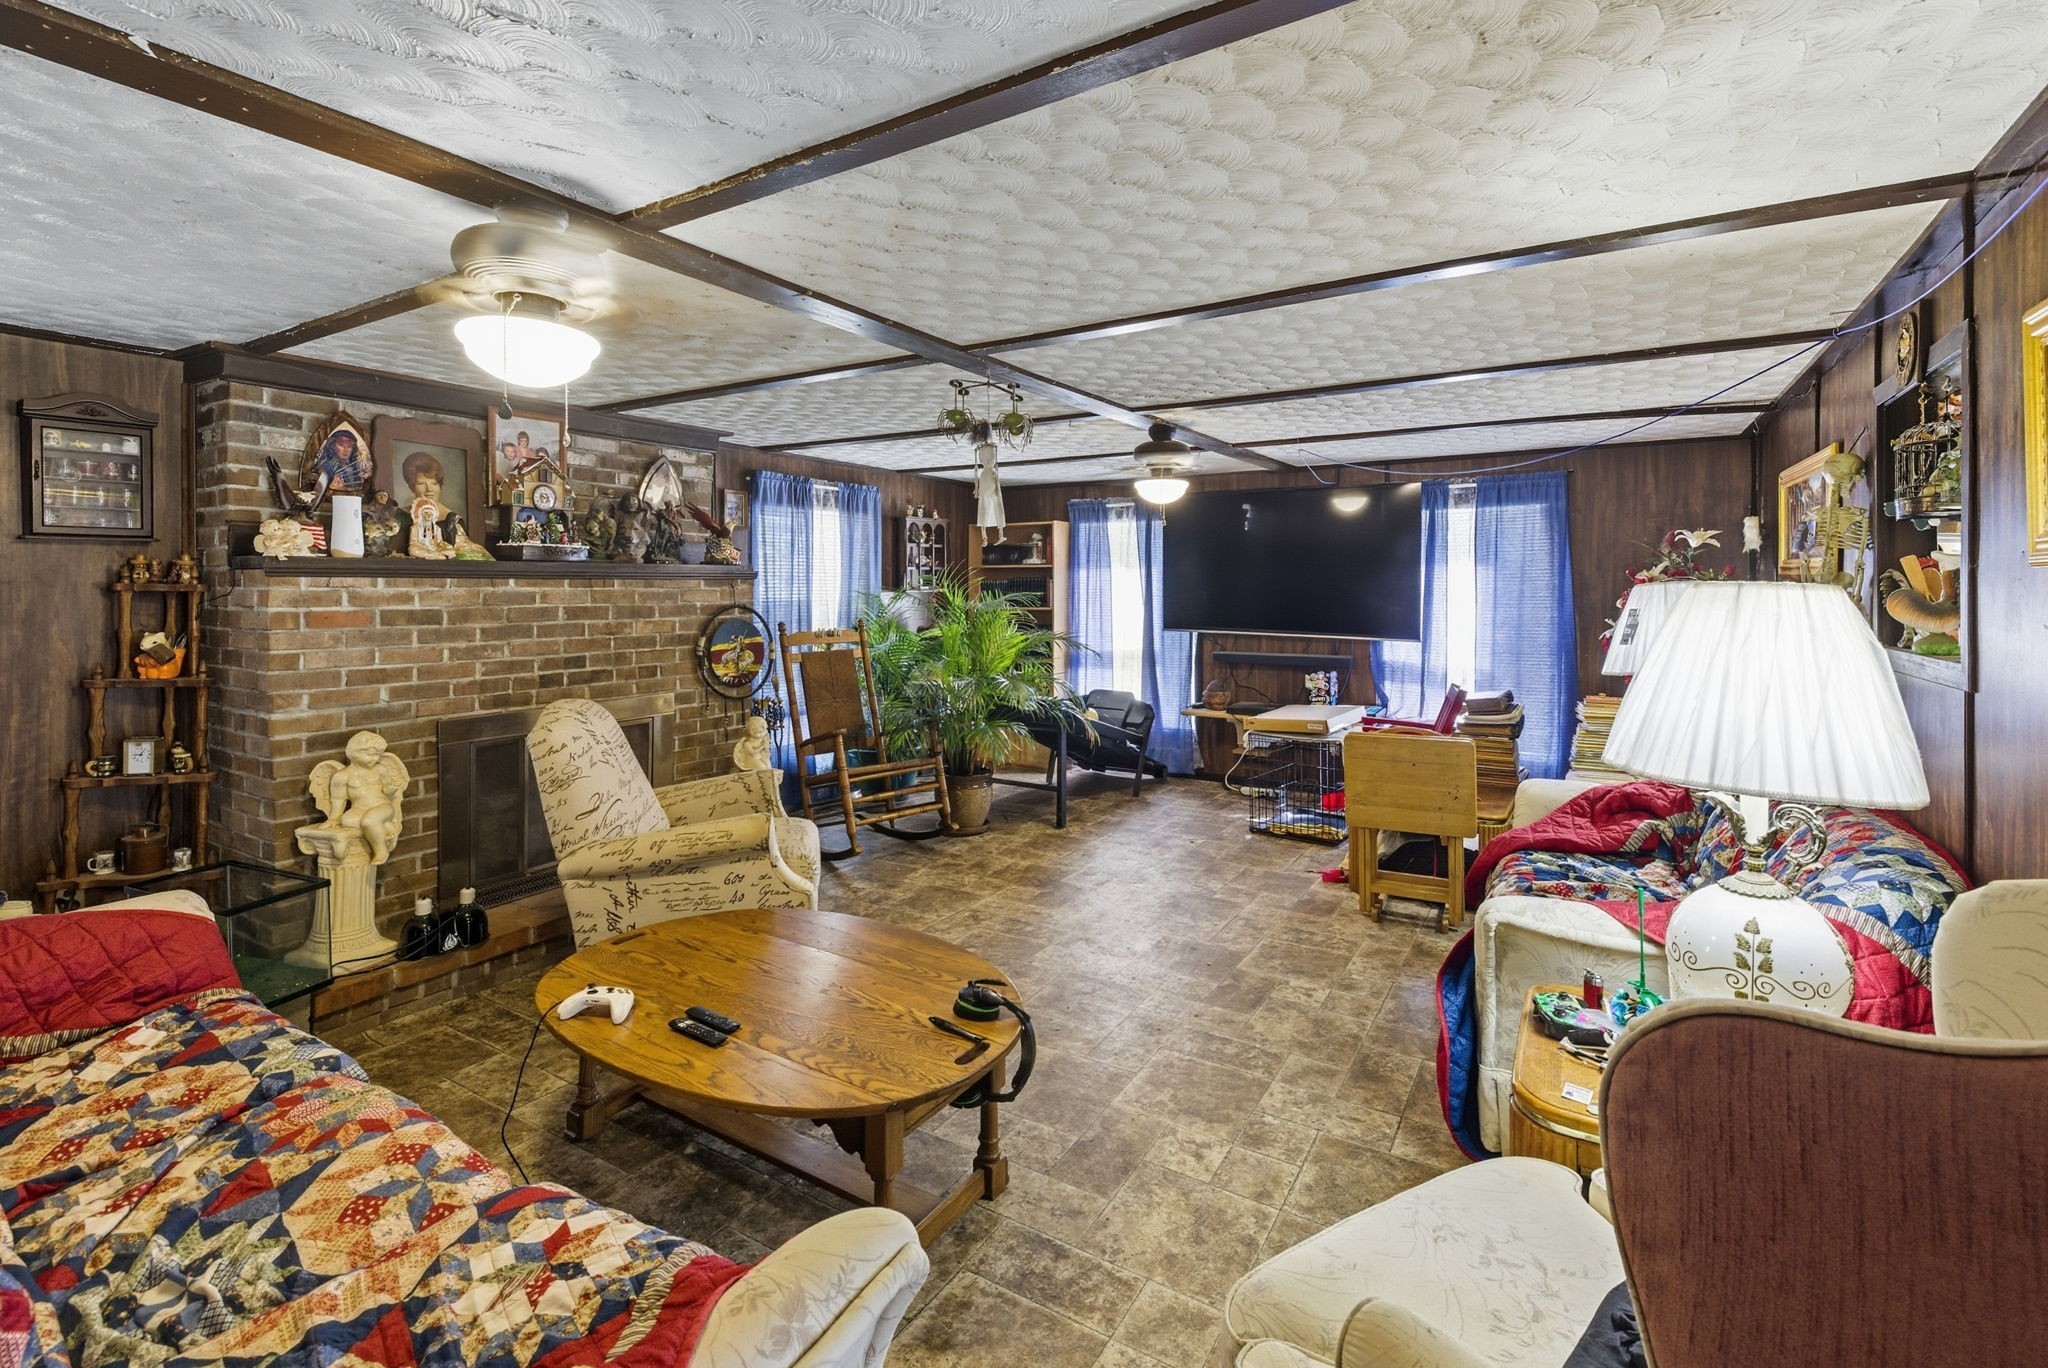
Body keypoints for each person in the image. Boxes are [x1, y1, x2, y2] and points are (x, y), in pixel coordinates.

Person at [317, 429, 372, 493]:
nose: (346, 450)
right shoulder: (327, 466)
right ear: (332, 445)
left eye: (349, 446)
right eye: (341, 445)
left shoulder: (354, 468)